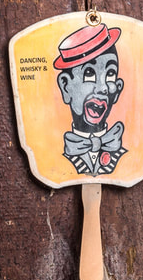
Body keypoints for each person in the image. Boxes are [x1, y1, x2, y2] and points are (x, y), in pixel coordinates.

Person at [53, 22, 127, 175]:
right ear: (66, 87)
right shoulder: (54, 161)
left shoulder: (127, 159)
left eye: (110, 74)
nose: (102, 88)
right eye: (89, 73)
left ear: (118, 89)